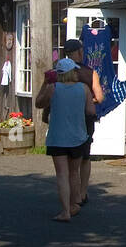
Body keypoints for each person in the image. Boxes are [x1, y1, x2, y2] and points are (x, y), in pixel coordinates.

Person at [36, 57, 96, 222]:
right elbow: (91, 111)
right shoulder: (83, 88)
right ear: (72, 72)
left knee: (62, 174)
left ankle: (65, 211)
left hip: (58, 137)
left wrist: (44, 83)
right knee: (73, 173)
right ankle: (74, 204)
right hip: (77, 136)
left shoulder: (53, 88)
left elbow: (39, 103)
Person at [62, 38, 104, 212]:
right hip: (85, 119)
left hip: (65, 119)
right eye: (80, 51)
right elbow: (99, 97)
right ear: (78, 52)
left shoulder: (59, 72)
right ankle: (82, 192)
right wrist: (86, 100)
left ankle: (72, 194)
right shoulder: (89, 73)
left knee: (69, 158)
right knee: (84, 157)